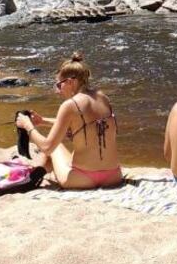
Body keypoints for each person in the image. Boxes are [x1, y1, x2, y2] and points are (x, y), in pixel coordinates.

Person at [15, 52, 122, 189]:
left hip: (83, 178)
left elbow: (47, 147)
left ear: (70, 82)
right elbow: (84, 125)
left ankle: (35, 174)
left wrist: (28, 126)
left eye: (59, 85)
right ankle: (41, 170)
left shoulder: (70, 105)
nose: (57, 91)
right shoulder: (103, 98)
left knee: (55, 147)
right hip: (113, 177)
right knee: (59, 149)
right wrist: (42, 121)